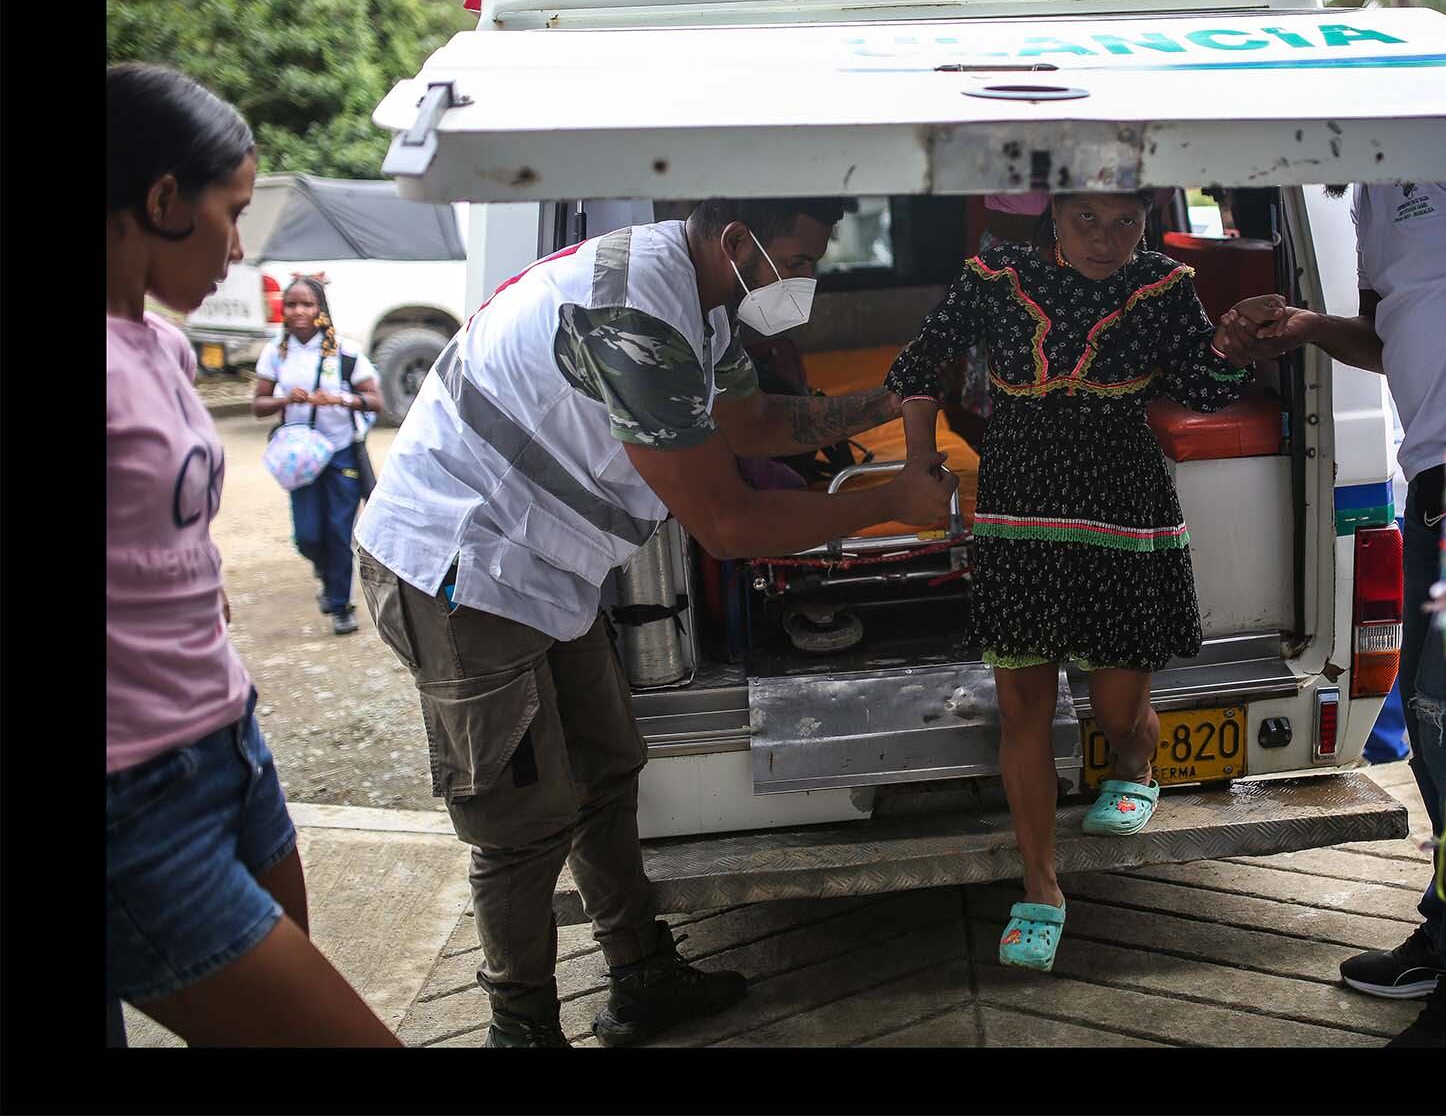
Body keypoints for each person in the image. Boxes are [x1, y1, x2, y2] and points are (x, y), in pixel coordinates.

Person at [353, 197, 955, 1047]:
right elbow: (730, 523)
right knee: (521, 821)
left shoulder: (698, 298)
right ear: (739, 241)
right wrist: (890, 499)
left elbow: (749, 425)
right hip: (461, 571)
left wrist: (893, 399)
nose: (810, 281)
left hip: (543, 566)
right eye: (805, 259)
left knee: (607, 765)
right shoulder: (635, 316)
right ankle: (519, 1027)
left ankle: (641, 974)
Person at [885, 191, 1287, 974]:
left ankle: (1139, 764)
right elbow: (917, 361)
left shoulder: (1165, 285)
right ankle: (1041, 887)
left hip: (1121, 510)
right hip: (1020, 510)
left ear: (1146, 216)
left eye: (1126, 221)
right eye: (1087, 221)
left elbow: (1206, 388)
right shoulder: (994, 275)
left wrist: (1234, 341)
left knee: (1116, 711)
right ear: (1054, 217)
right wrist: (916, 453)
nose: (1108, 240)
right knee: (1022, 705)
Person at [1235, 178, 1446, 1046]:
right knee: (1435, 725)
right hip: (1437, 479)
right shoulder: (1371, 193)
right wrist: (1309, 327)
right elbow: (1401, 337)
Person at [106, 63, 400, 1047]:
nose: (241, 247)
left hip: (231, 748)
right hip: (133, 798)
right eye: (231, 212)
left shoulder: (162, 346)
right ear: (159, 200)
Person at [251, 275, 383, 635]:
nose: (298, 311)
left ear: (320, 309)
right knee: (308, 535)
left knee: (339, 531)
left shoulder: (345, 351)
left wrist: (341, 399)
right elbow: (258, 405)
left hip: (340, 453)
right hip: (301, 456)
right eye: (291, 304)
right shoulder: (276, 351)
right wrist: (283, 398)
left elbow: (375, 401)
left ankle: (340, 605)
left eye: (306, 304)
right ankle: (324, 570)